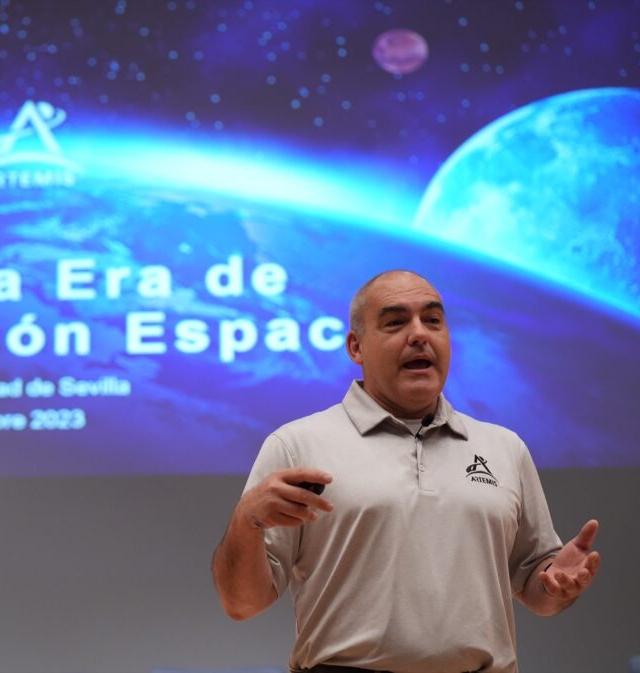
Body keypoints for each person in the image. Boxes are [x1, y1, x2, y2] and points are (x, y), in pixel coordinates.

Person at [211, 270, 601, 673]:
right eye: (395, 322)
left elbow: (537, 591)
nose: (420, 335)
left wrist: (557, 586)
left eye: (433, 320)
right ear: (355, 346)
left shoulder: (504, 448)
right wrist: (246, 521)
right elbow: (242, 603)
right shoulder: (297, 445)